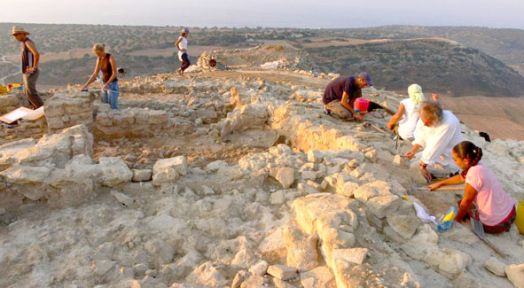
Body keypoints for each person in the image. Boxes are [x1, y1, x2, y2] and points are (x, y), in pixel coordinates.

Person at [429, 141, 516, 234]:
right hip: (512, 213)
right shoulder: (478, 165)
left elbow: (466, 202)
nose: (454, 162)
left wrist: (457, 220)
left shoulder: (473, 174)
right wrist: (440, 184)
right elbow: (460, 178)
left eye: (455, 160)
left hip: (496, 225)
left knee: (461, 204)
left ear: (466, 160)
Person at [404, 101, 462, 182]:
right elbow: (422, 133)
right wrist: (413, 150)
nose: (424, 124)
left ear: (434, 119)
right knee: (411, 160)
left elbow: (435, 147)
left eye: (427, 122)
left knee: (414, 167)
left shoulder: (448, 124)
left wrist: (423, 167)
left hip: (448, 160)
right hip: (437, 154)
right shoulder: (424, 115)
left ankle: (449, 174)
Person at [11, 26, 44, 109]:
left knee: (31, 91)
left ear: (23, 34)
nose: (16, 37)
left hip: (30, 71)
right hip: (26, 71)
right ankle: (35, 107)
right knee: (27, 91)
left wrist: (34, 67)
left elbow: (36, 54)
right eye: (15, 35)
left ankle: (42, 108)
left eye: (17, 34)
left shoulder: (27, 42)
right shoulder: (23, 43)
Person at [80, 43, 119, 109]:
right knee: (105, 106)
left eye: (98, 53)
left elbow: (114, 73)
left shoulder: (110, 58)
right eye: (96, 54)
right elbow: (95, 74)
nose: (97, 55)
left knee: (113, 107)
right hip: (104, 85)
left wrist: (107, 83)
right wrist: (86, 85)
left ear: (102, 50)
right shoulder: (99, 59)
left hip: (112, 85)